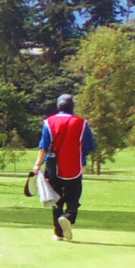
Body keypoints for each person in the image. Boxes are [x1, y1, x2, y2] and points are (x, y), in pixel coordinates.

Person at [35, 93, 94, 241]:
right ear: (72, 106)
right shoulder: (82, 123)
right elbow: (89, 146)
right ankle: (68, 216)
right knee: (73, 197)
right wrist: (83, 161)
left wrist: (37, 164)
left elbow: (44, 146)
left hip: (53, 166)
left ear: (58, 106)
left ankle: (58, 233)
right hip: (74, 166)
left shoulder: (49, 122)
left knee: (56, 199)